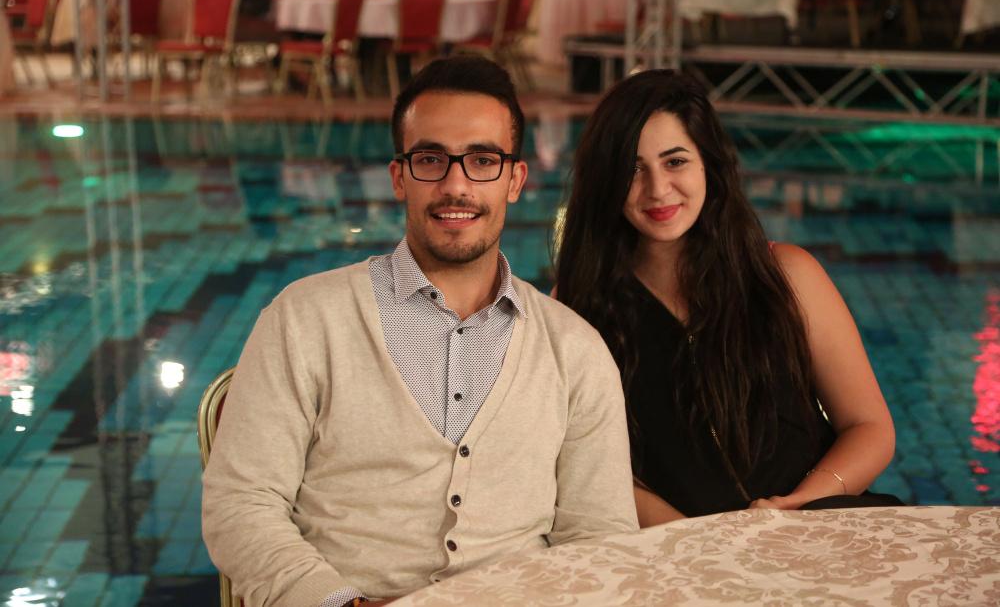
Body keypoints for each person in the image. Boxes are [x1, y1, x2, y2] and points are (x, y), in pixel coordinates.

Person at [202, 55, 638, 606]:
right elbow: (241, 504)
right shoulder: (304, 319)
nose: (456, 185)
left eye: (483, 160)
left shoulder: (574, 349)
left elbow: (600, 536)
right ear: (398, 177)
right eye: (430, 159)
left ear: (515, 180)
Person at [554, 70, 897, 525]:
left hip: (819, 522)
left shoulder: (787, 275)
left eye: (675, 161)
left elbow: (868, 427)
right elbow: (594, 468)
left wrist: (797, 505)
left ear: (708, 164)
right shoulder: (579, 308)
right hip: (679, 547)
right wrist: (701, 541)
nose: (658, 189)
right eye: (633, 169)